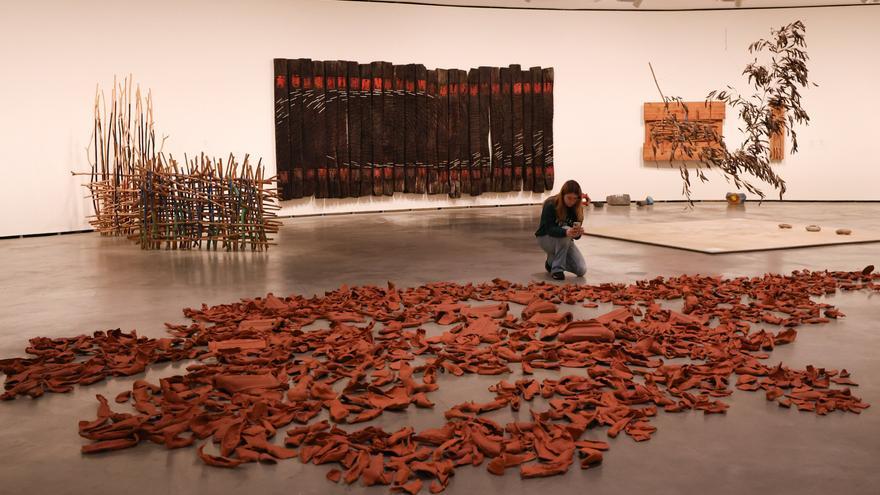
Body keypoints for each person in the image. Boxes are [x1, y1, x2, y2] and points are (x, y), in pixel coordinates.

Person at [534, 180, 587, 280]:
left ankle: (551, 262)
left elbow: (576, 237)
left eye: (574, 199)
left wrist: (577, 234)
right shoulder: (550, 204)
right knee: (566, 230)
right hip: (545, 238)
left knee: (581, 269)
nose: (571, 201)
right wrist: (566, 232)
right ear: (563, 195)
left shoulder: (578, 209)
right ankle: (557, 270)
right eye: (569, 198)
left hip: (565, 239)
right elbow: (549, 229)